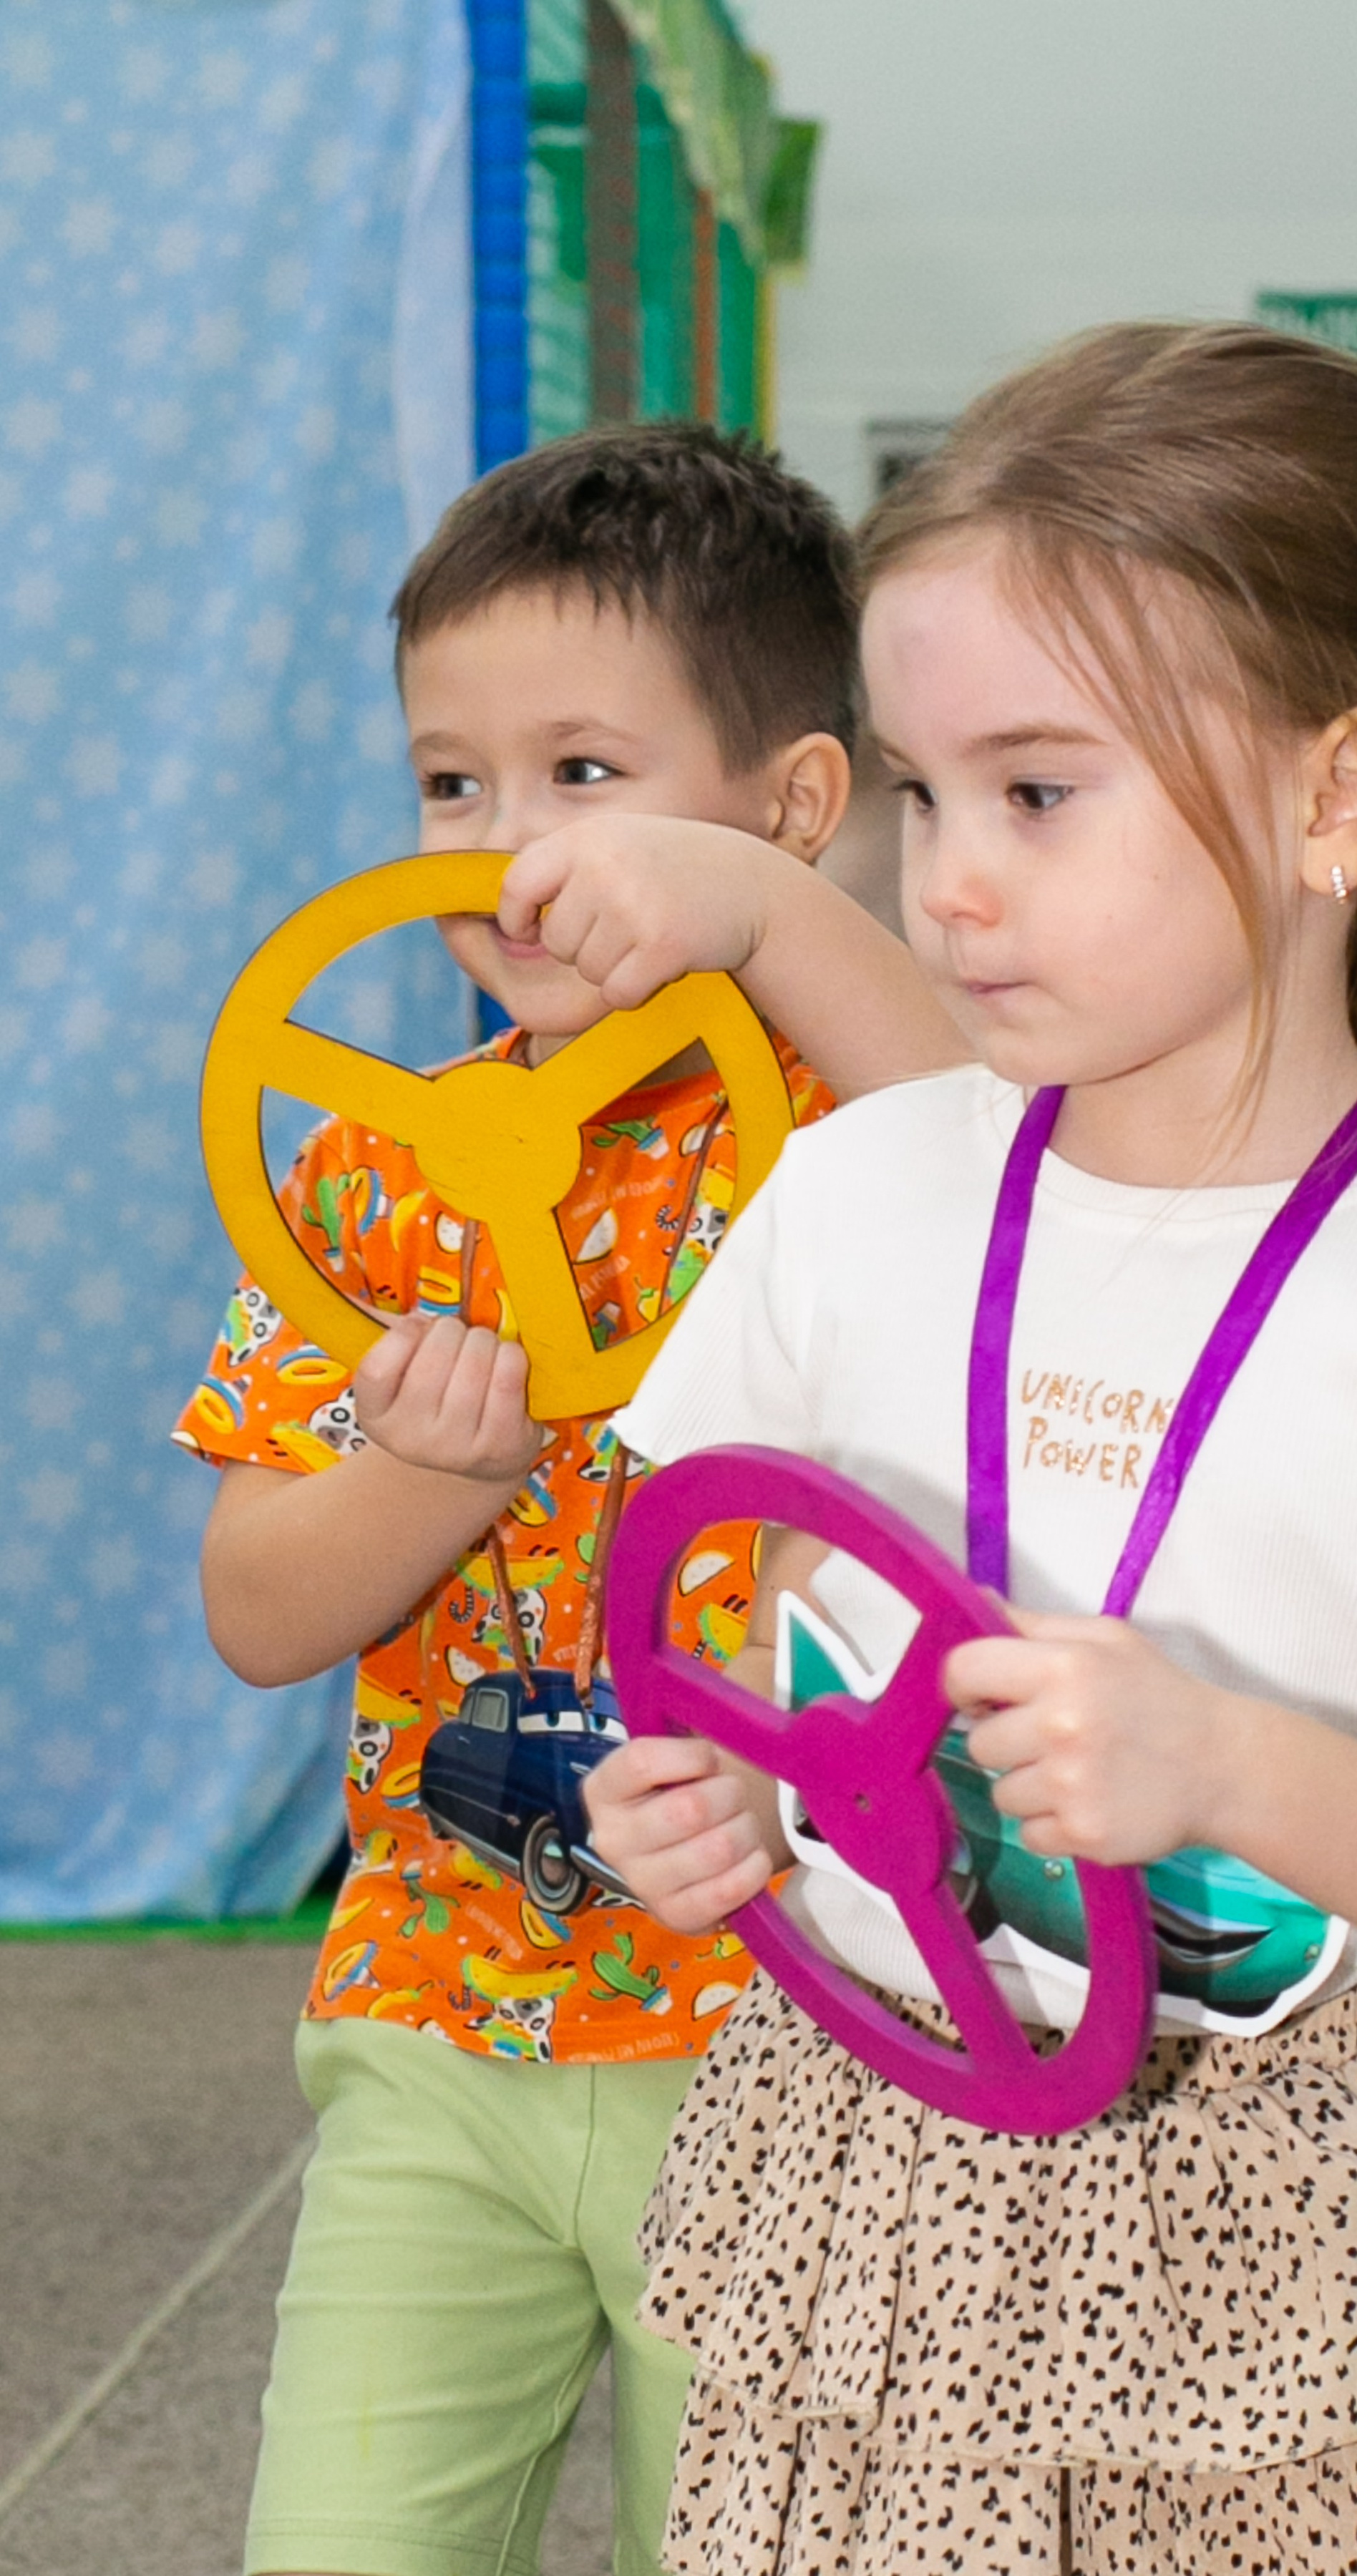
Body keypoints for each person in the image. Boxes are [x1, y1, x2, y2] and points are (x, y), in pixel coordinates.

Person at [579, 328, 1357, 2575]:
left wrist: (1229, 1779)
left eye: (1042, 793)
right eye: (924, 795)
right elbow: (730, 1644)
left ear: (1337, 804)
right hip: (886, 2193)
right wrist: (719, 1803)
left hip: (1322, 2243)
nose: (950, 887)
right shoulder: (853, 1197)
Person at [174, 421, 960, 2576]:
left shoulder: (847, 1137)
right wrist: (436, 1470)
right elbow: (255, 1606)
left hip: (809, 2039)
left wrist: (781, 927)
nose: (504, 849)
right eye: (451, 783)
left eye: (584, 777)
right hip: (437, 2024)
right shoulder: (359, 1168)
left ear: (792, 809)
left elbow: (1004, 1184)